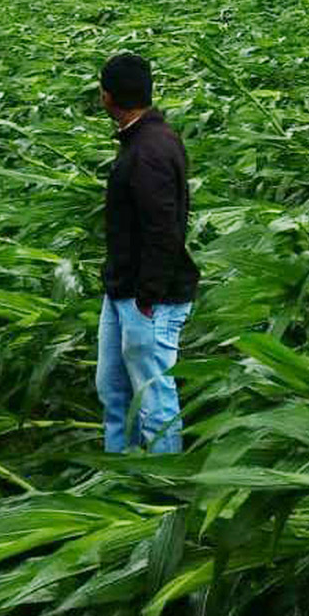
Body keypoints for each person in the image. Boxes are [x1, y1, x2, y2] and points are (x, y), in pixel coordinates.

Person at [96, 53, 200, 454]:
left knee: (154, 400)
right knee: (114, 389)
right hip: (124, 288)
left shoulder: (149, 150)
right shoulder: (145, 139)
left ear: (108, 97)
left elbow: (164, 232)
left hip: (148, 297)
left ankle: (162, 485)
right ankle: (121, 472)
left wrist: (147, 298)